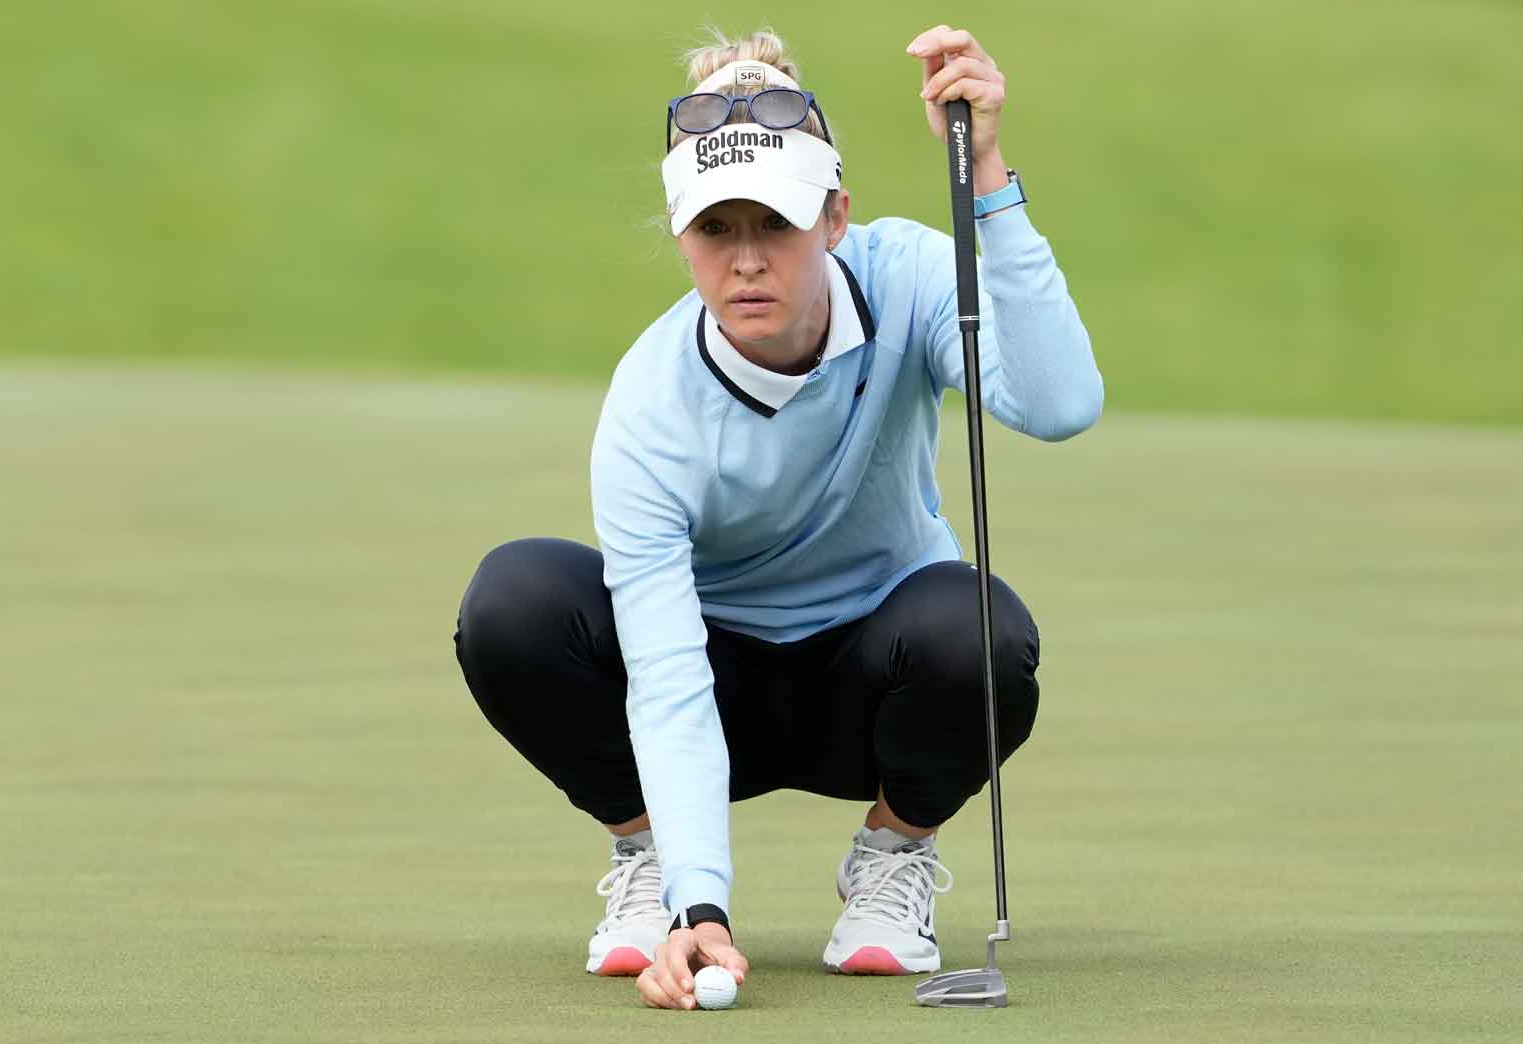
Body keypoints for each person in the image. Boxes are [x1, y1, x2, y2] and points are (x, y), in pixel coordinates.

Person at [454, 24, 1102, 1010]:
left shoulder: (912, 277)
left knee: (979, 629)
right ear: (682, 235)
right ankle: (645, 855)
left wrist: (988, 182)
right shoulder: (649, 405)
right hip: (713, 692)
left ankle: (893, 856)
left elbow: (1058, 405)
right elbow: (667, 674)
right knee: (513, 602)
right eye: (717, 230)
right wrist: (694, 906)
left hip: (875, 685)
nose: (746, 261)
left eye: (777, 224)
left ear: (835, 218)